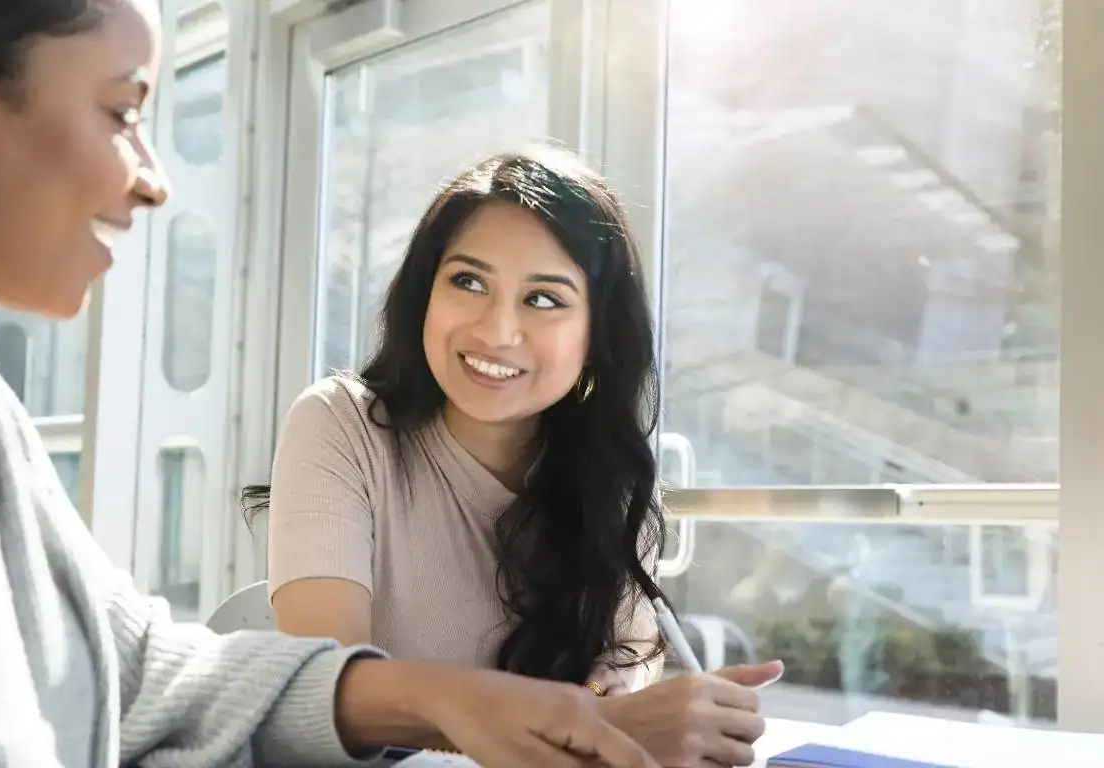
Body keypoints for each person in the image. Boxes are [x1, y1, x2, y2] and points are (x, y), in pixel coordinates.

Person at [0, 2, 768, 767]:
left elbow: (138, 668)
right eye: (122, 111)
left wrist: (463, 705)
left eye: (548, 301)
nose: (154, 181)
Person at [250, 149, 784, 702]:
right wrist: (559, 720)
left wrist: (626, 702)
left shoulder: (611, 483)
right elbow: (330, 686)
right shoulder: (341, 426)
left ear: (597, 339)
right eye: (468, 282)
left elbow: (624, 662)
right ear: (424, 295)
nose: (498, 331)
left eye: (543, 299)